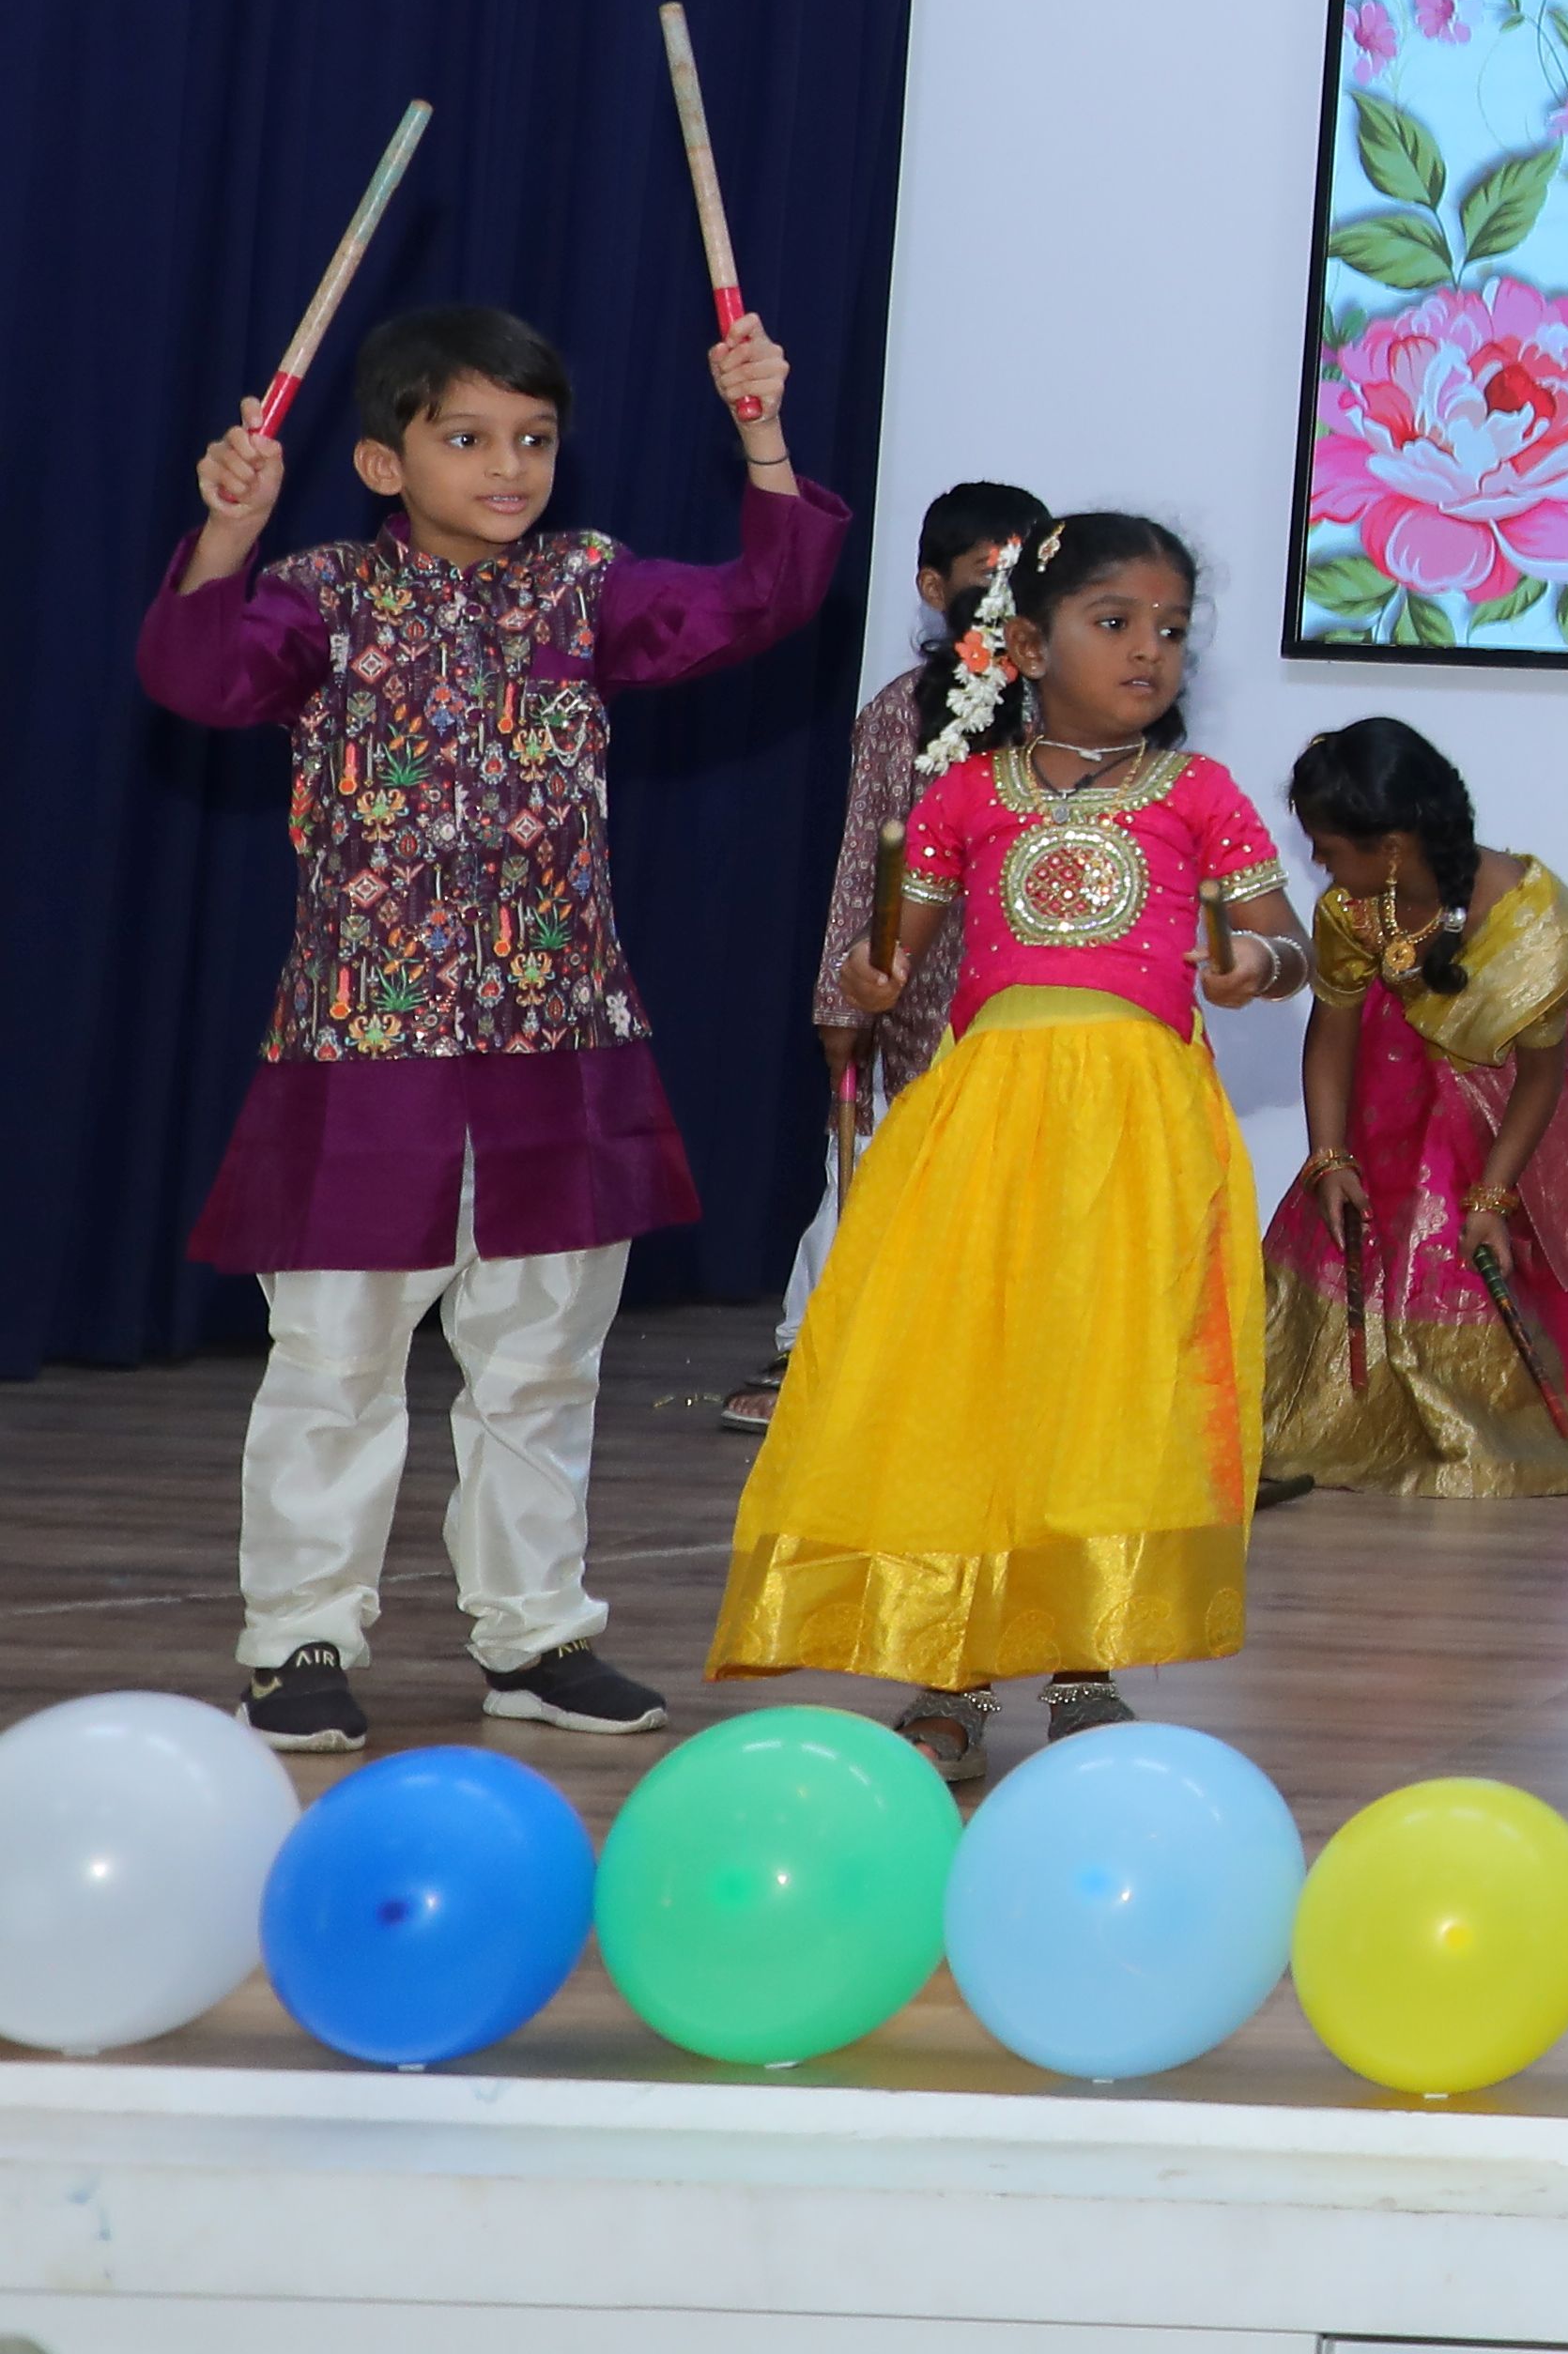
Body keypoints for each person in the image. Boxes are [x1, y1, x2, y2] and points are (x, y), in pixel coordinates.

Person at [145, 299, 841, 1752]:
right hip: (362, 1052)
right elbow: (195, 676)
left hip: (560, 1048)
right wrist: (229, 531)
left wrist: (763, 431)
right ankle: (298, 1642)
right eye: (465, 438)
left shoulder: (588, 588)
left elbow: (765, 598)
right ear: (383, 463)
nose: (508, 466)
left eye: (532, 438)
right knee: (333, 1362)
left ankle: (535, 1639)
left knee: (541, 1364)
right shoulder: (324, 597)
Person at [721, 515, 1304, 1781]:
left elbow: (1287, 939)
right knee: (972, 1384)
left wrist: (1255, 961)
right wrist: (871, 974)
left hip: (1137, 1136)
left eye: (1170, 630)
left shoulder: (1198, 794)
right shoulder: (968, 796)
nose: (1149, 651)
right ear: (1029, 648)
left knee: (1105, 1390)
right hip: (986, 1126)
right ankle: (950, 1673)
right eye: (1116, 623)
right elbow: (895, 948)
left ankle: (1087, 1663)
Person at [1257, 715, 1568, 1502]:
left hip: (1497, 1126)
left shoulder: (1534, 924)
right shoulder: (1353, 908)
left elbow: (1541, 1078)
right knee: (1367, 1238)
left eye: (1328, 849)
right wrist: (1329, 1156)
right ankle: (1368, 1424)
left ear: (1391, 847)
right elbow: (1332, 1031)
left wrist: (1492, 1196)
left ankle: (1479, 1432)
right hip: (1382, 1108)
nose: (1319, 865)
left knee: (1448, 1246)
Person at [737, 479, 1053, 1435]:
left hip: (1025, 995)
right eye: (986, 578)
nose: (1004, 600)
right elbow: (862, 863)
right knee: (873, 1169)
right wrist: (846, 995)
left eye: (1025, 579)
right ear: (933, 587)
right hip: (913, 987)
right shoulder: (900, 713)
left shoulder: (1062, 711)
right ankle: (812, 1348)